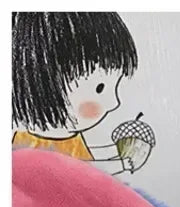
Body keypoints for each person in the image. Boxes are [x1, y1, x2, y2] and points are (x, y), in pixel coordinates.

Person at [12, 12, 139, 175]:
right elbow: (79, 172)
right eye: (99, 88)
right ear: (44, 87)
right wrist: (120, 165)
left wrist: (115, 149)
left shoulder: (70, 138)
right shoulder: (30, 147)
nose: (114, 103)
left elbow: (83, 154)